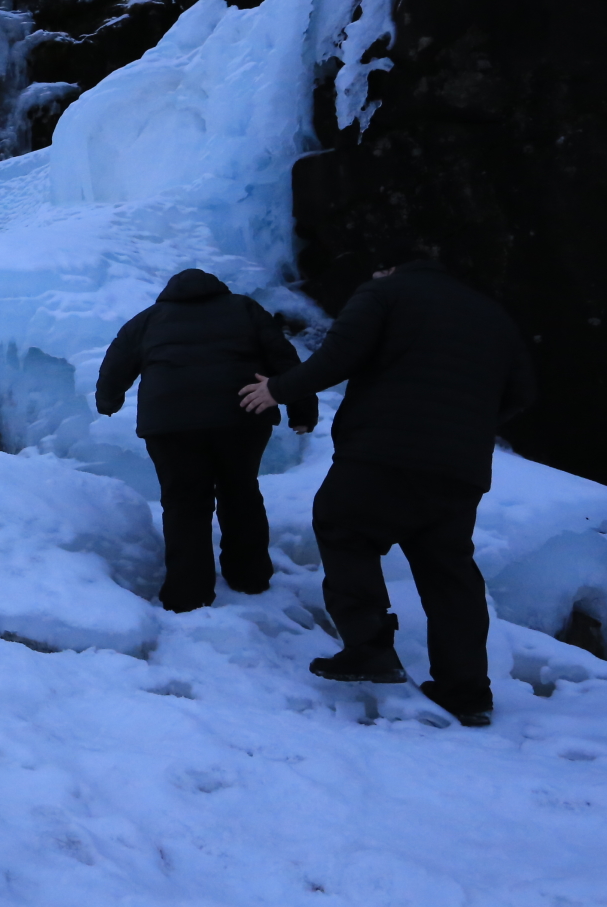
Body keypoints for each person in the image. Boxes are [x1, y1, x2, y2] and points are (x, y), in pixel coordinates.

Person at [238, 249, 535, 727]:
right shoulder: (490, 313)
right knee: (448, 571)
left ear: (388, 266)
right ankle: (467, 691)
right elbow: (522, 392)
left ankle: (369, 646)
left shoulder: (385, 292)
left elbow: (339, 355)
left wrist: (278, 389)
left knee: (342, 526)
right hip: (460, 468)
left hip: (384, 451)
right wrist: (464, 427)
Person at [97, 268, 315, 613]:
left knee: (184, 503)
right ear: (218, 290)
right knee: (240, 491)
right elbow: (283, 356)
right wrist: (302, 412)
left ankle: (188, 593)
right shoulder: (244, 309)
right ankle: (251, 577)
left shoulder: (150, 319)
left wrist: (108, 401)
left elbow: (116, 362)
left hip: (170, 424)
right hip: (241, 415)